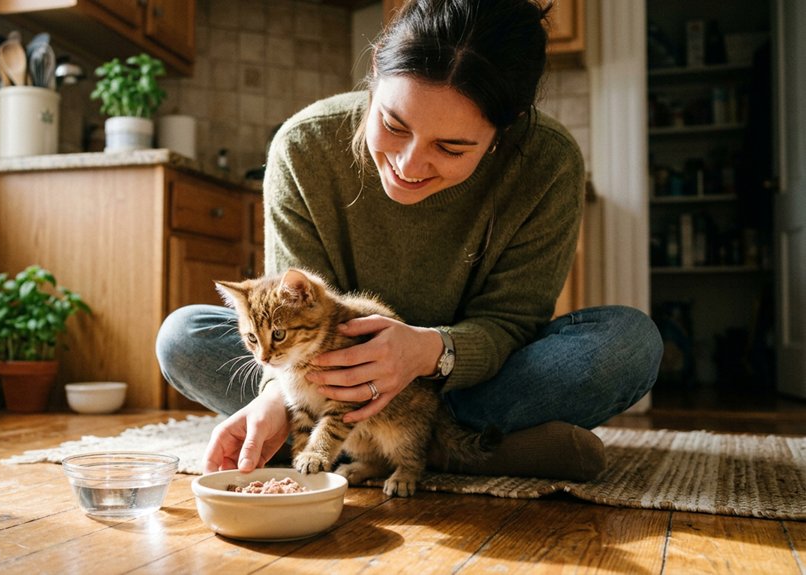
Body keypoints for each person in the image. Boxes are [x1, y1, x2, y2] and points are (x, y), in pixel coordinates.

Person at [156, 0, 662, 482]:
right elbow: (287, 310)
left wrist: (427, 352)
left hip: (467, 382)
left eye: (452, 147)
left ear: (505, 129)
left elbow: (511, 324)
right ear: (376, 69)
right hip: (323, 383)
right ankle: (477, 450)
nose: (408, 165)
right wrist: (274, 396)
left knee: (627, 345)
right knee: (182, 336)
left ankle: (429, 437)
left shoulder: (548, 164)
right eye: (393, 124)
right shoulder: (303, 146)